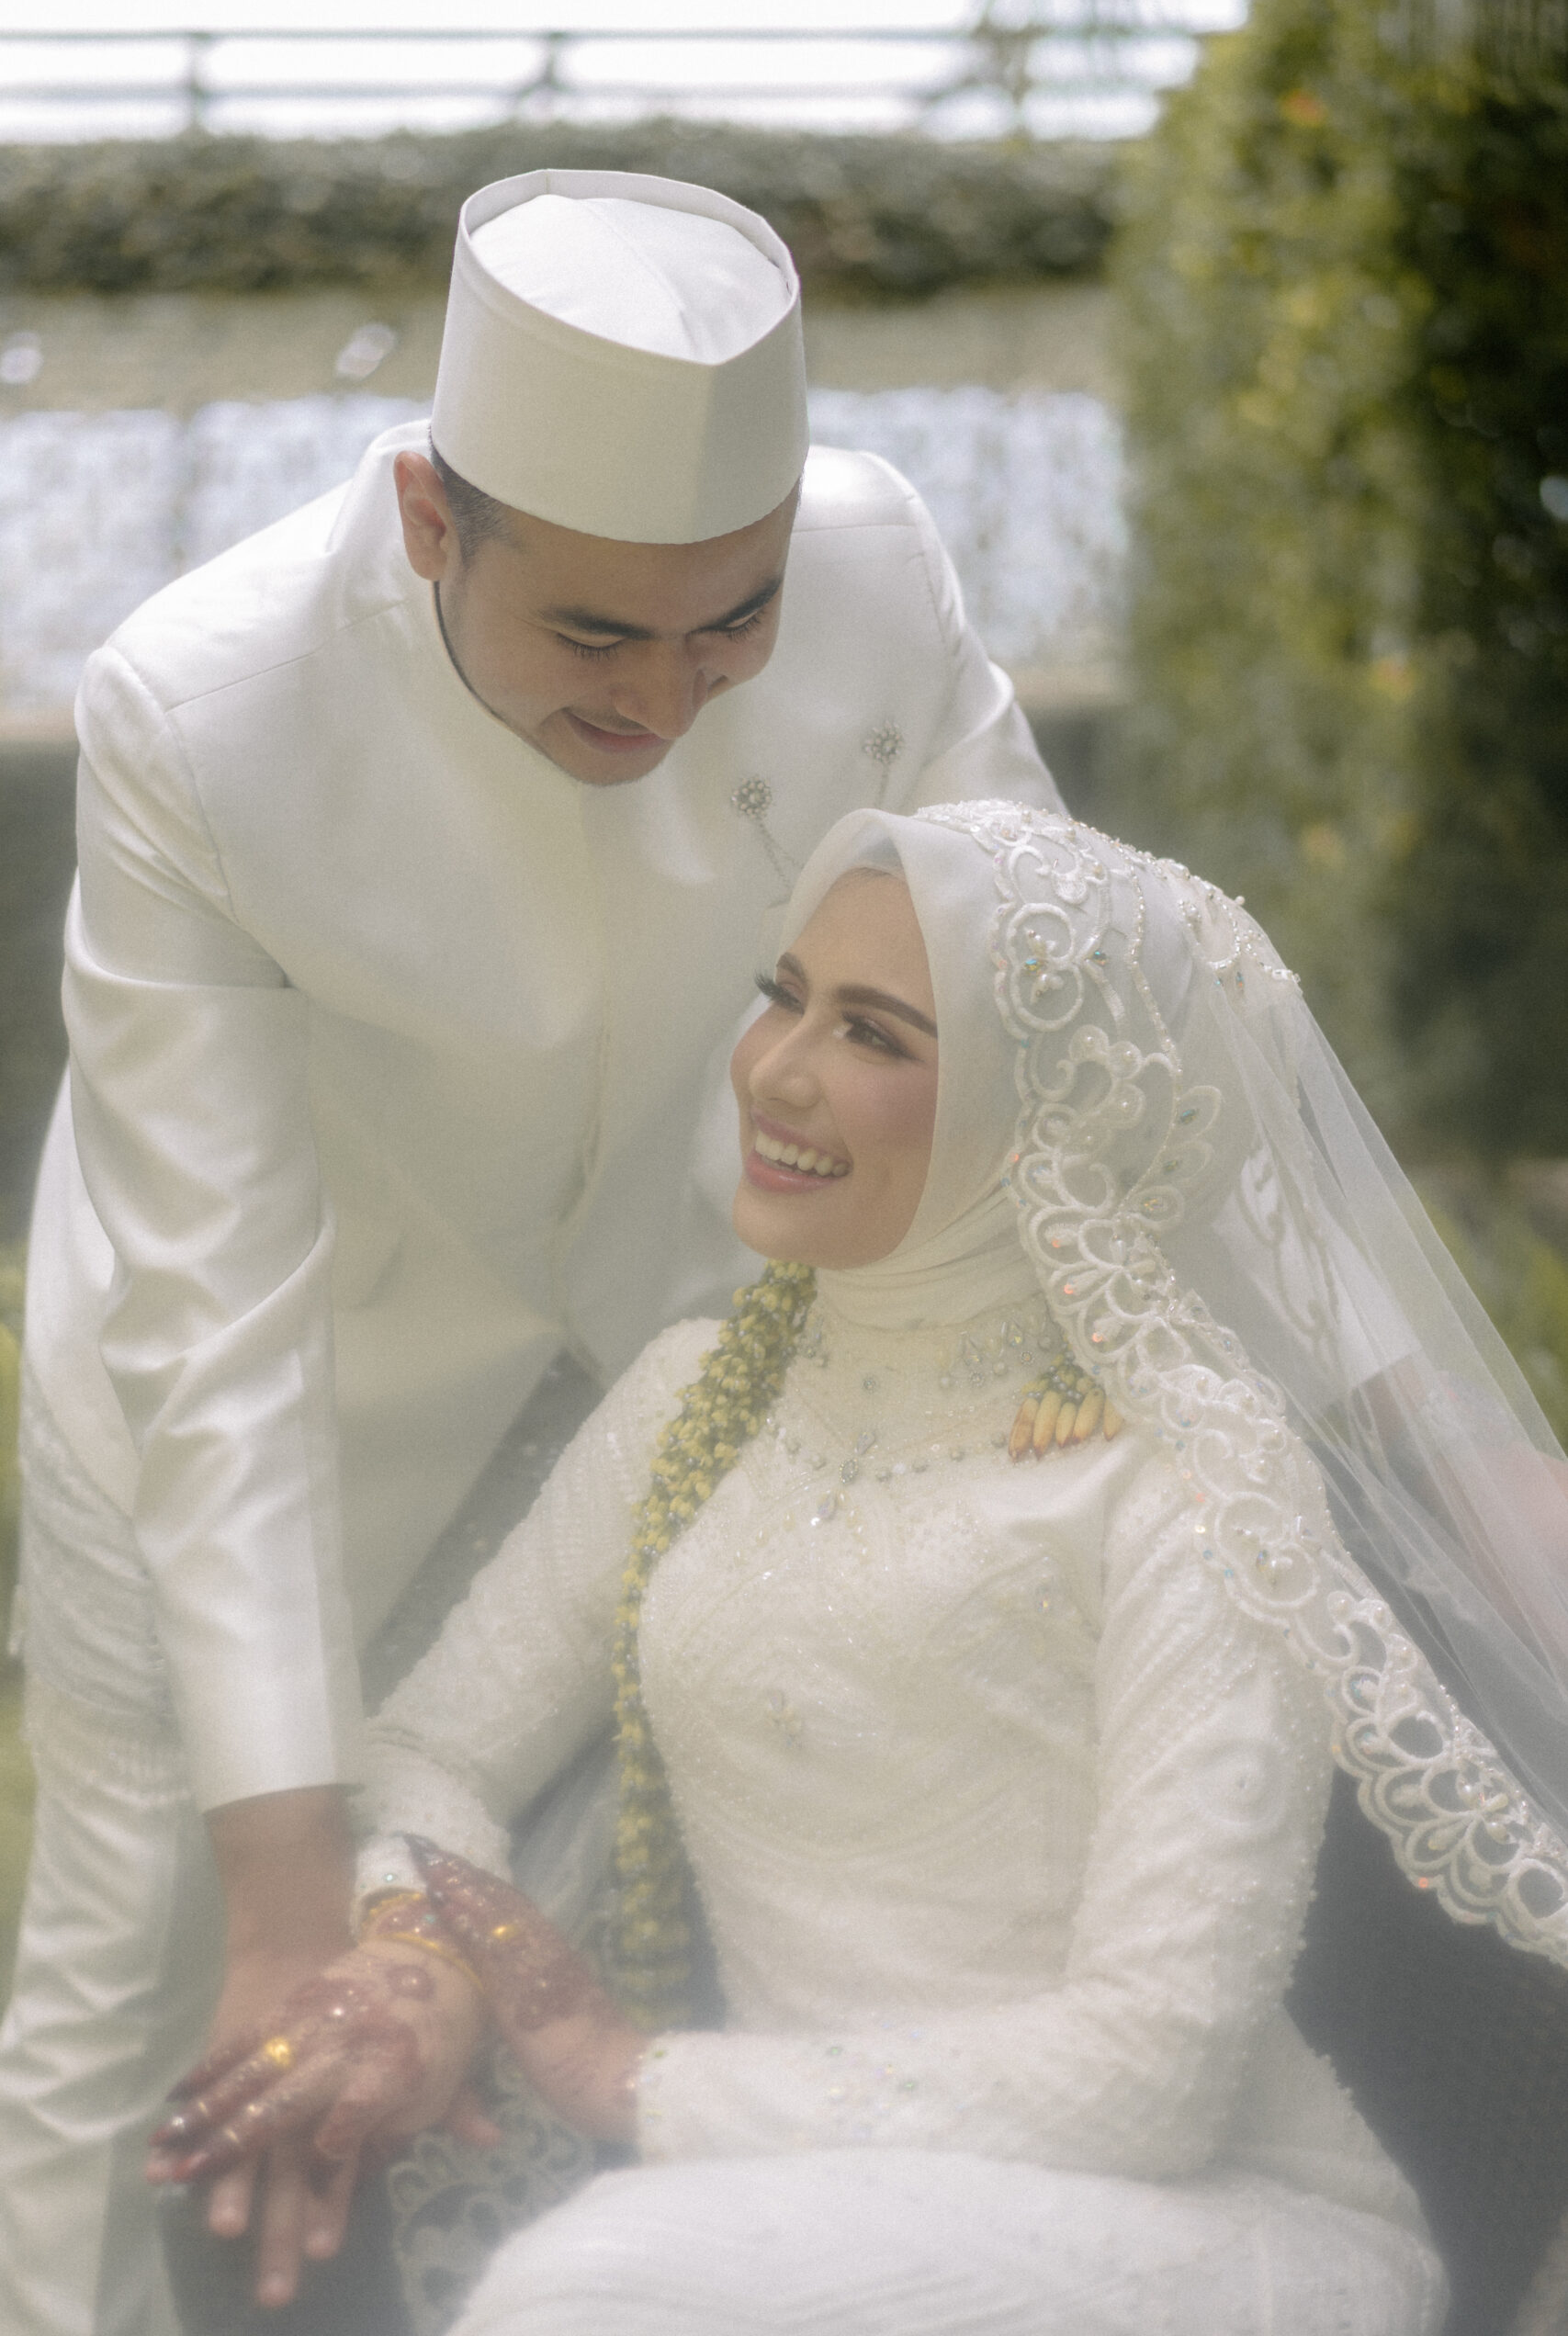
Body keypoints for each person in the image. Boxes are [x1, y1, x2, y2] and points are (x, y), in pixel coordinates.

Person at [0, 171, 1064, 2336]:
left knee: (631, 1937)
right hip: (252, 1398)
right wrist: (278, 1889)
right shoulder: (194, 707)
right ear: (428, 518)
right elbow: (220, 1325)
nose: (669, 692)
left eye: (730, 622)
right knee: (144, 2003)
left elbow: (1060, 998)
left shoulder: (880, 571)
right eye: (594, 634)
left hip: (651, 1368)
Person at [153, 799, 1568, 2330]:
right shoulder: (693, 1407)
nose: (776, 1069)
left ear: (1045, 1116)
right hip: (792, 2187)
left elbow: (1152, 2073)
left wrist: (636, 2080)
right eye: (785, 996)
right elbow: (435, 1750)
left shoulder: (1183, 1476)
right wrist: (420, 1955)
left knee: (597, 2286)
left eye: (876, 1034)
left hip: (1212, 2216)